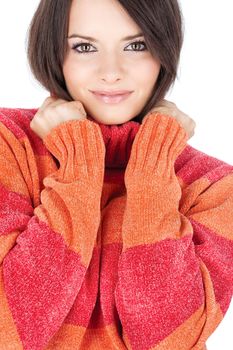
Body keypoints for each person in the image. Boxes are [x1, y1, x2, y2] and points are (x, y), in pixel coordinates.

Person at [0, 0, 232, 349]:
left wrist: (152, 172)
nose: (111, 72)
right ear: (51, 51)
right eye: (84, 47)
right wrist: (79, 164)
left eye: (136, 46)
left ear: (164, 50)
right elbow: (7, 330)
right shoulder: (9, 145)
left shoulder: (213, 185)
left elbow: (167, 343)